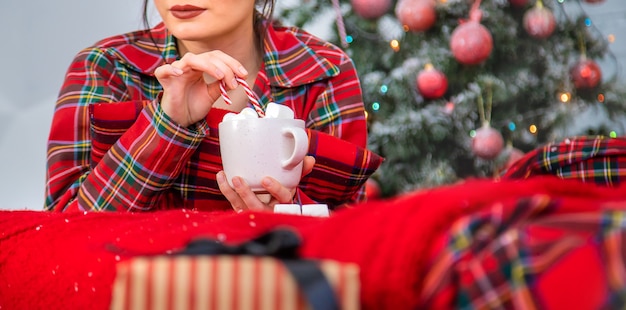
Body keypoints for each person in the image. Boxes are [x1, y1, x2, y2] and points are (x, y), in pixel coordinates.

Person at [45, 0, 383, 213]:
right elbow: (61, 231)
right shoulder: (106, 69)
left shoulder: (322, 70)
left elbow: (351, 238)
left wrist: (287, 214)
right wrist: (168, 121)